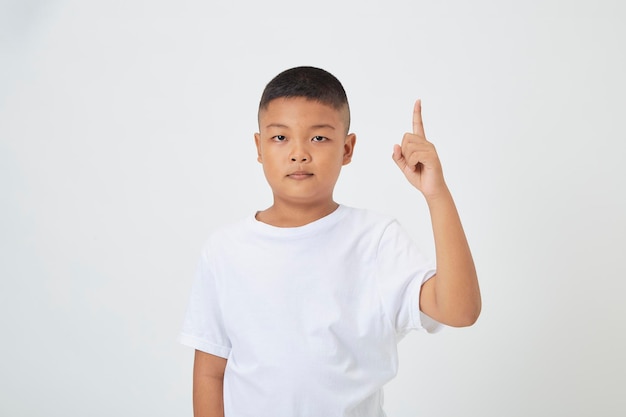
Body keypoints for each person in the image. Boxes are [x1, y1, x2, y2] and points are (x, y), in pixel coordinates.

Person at [179, 66, 481, 417]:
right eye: (280, 138)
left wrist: (436, 195)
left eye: (319, 138)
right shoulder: (225, 251)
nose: (299, 153)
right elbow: (210, 371)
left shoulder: (375, 241)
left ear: (347, 149)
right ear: (259, 147)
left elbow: (460, 311)